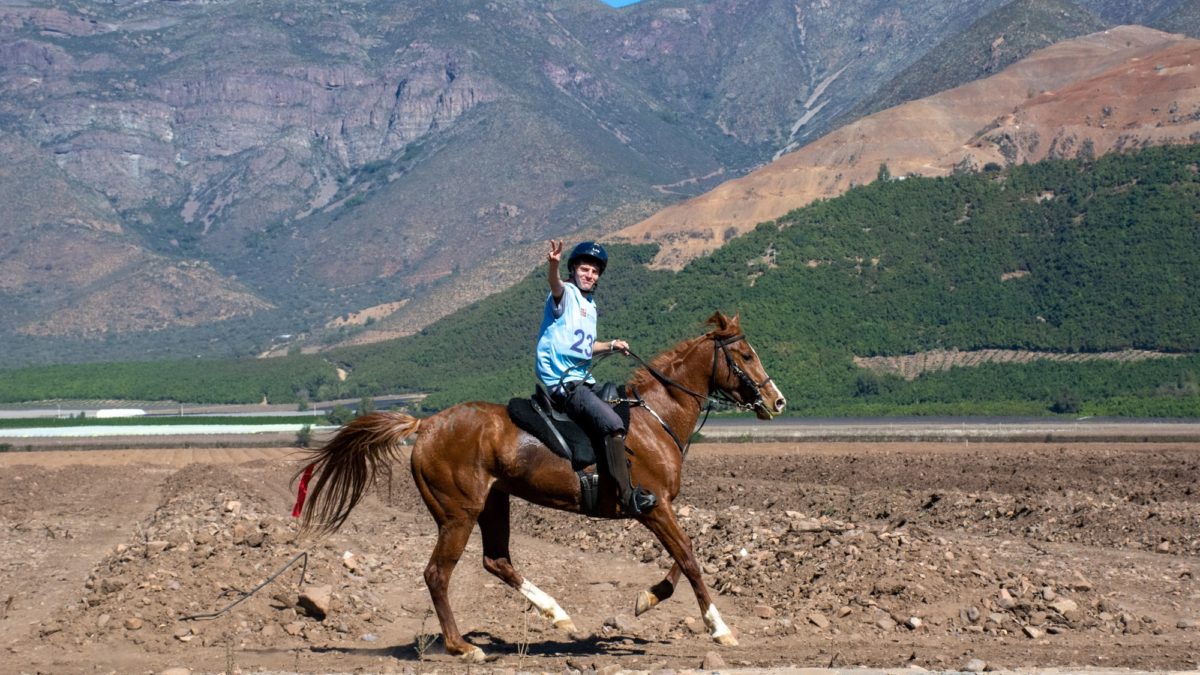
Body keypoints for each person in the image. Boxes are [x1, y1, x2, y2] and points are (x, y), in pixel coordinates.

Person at [536, 240, 657, 515]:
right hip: (564, 382)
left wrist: (612, 345)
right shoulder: (565, 293)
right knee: (612, 422)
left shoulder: (590, 306)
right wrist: (553, 265)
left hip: (583, 379)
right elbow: (554, 285)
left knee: (621, 405)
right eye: (585, 269)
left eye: (594, 272)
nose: (590, 275)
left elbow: (585, 347)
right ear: (574, 269)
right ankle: (627, 496)